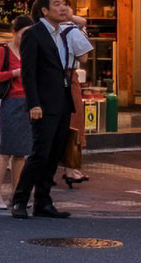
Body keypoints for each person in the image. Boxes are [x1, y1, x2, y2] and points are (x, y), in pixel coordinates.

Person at [11, 0, 74, 220]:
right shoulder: (34, 34)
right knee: (40, 153)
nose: (62, 7)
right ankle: (19, 199)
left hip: (62, 102)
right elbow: (28, 73)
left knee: (54, 154)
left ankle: (43, 201)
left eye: (64, 3)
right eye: (56, 4)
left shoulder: (65, 32)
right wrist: (33, 103)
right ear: (45, 10)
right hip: (43, 104)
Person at [0, 15, 33, 210]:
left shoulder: (31, 51)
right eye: (23, 34)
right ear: (14, 32)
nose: (26, 38)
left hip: (28, 102)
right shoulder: (3, 51)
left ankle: (17, 195)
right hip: (11, 102)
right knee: (5, 151)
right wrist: (13, 73)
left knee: (21, 153)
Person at [59, 15, 94, 188]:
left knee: (67, 122)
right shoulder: (70, 30)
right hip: (66, 76)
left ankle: (66, 168)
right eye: (58, 5)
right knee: (73, 122)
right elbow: (84, 57)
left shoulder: (45, 29)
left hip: (56, 78)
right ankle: (70, 168)